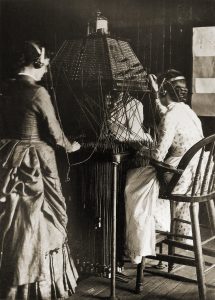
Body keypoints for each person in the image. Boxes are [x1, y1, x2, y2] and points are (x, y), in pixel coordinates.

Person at [0, 41, 81, 299]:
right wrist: (72, 146)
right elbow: (56, 135)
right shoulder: (39, 93)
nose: (46, 68)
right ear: (37, 62)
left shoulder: (6, 88)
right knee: (38, 222)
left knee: (13, 222)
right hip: (34, 161)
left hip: (8, 158)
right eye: (45, 63)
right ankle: (37, 288)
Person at [125, 69, 204, 264]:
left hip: (179, 178)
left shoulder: (172, 116)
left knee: (133, 183)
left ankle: (141, 246)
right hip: (199, 176)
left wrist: (140, 147)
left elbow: (158, 156)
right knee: (146, 179)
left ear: (163, 91)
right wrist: (154, 94)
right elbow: (166, 113)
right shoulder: (186, 111)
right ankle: (158, 238)